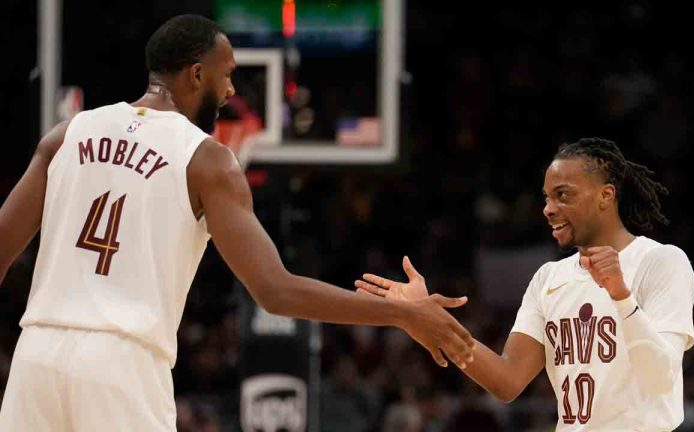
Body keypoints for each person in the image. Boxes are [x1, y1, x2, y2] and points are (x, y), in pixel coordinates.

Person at [0, 14, 475, 431]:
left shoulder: (67, 134)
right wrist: (401, 312)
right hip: (121, 365)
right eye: (226, 76)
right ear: (196, 74)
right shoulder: (206, 161)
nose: (230, 91)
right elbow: (276, 291)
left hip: (36, 356)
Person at [357, 137, 694, 430]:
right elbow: (507, 381)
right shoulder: (549, 278)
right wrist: (428, 320)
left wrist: (621, 296)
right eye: (547, 197)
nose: (548, 209)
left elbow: (661, 378)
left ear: (605, 196)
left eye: (563, 195)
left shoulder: (661, 261)